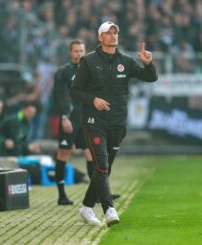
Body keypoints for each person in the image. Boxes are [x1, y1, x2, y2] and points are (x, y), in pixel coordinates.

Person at [70, 21, 158, 227]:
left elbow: (150, 78)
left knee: (105, 169)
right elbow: (74, 91)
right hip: (94, 122)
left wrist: (147, 63)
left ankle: (86, 208)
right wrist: (93, 100)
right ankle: (109, 209)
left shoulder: (125, 61)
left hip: (118, 123)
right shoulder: (89, 61)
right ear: (100, 38)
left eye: (115, 32)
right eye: (108, 33)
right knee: (101, 165)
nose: (112, 36)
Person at [52, 39, 95, 205]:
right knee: (64, 153)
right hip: (69, 119)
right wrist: (64, 116)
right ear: (70, 53)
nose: (79, 54)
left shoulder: (89, 71)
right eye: (76, 51)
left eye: (81, 51)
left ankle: (97, 193)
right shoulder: (63, 71)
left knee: (91, 154)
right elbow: (59, 95)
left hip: (84, 119)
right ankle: (61, 195)